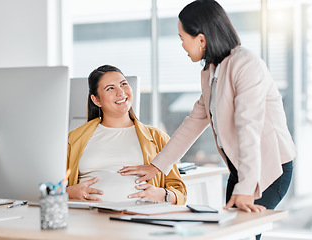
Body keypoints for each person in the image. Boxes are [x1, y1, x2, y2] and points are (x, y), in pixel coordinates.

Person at [119, 0, 295, 216]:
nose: (182, 46)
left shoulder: (246, 65)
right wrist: (156, 166)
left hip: (270, 168)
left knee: (243, 231)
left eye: (182, 39)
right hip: (241, 168)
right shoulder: (210, 72)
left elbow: (249, 129)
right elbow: (194, 122)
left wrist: (247, 187)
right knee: (237, 232)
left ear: (201, 39)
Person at [66, 65, 187, 205]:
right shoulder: (73, 139)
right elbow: (49, 188)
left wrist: (162, 195)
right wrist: (69, 192)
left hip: (139, 219)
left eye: (123, 84)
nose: (121, 92)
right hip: (87, 218)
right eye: (110, 88)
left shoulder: (157, 137)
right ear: (96, 100)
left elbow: (181, 194)